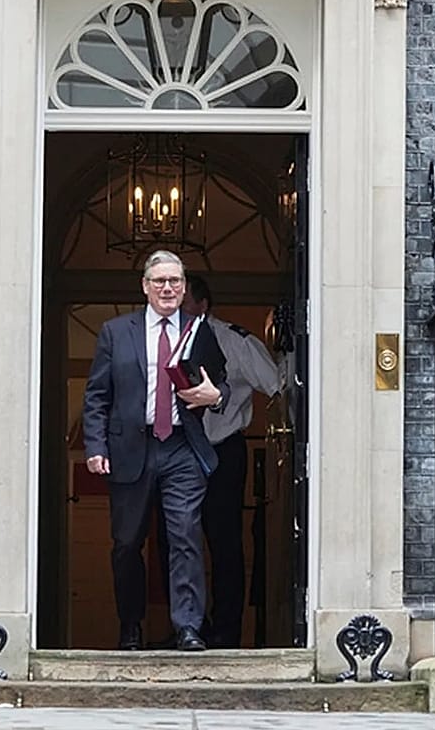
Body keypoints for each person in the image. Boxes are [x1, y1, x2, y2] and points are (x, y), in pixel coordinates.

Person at [81, 250, 229, 652]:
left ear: (184, 288)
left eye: (176, 282)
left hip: (182, 447)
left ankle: (188, 627)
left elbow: (222, 383)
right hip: (131, 447)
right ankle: (131, 625)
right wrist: (95, 445)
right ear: (145, 287)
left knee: (184, 535)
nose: (168, 288)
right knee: (127, 543)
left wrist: (216, 396)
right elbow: (97, 395)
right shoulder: (116, 332)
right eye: (160, 281)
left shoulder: (201, 331)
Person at [180, 274, 282, 648]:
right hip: (176, 452)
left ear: (203, 306)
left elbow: (277, 387)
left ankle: (225, 631)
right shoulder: (158, 340)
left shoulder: (234, 341)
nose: (176, 307)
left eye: (184, 300)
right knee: (176, 541)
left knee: (224, 544)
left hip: (221, 450)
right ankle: (187, 627)